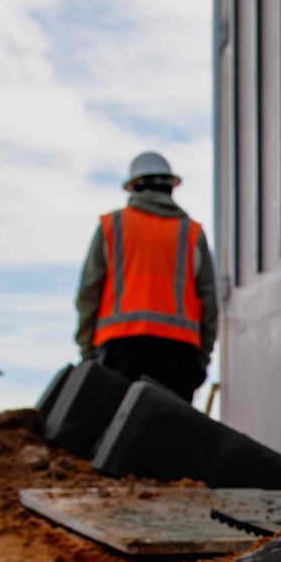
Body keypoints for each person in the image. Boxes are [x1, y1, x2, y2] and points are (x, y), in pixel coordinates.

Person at [76, 151, 220, 402]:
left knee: (116, 431)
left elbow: (89, 291)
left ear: (134, 188)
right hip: (179, 353)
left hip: (119, 348)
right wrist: (201, 360)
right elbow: (209, 304)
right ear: (170, 187)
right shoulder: (192, 233)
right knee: (168, 433)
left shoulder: (113, 226)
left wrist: (88, 351)